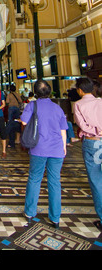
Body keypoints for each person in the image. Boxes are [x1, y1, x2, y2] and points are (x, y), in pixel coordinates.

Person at [21, 79, 68, 228]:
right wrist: (64, 146)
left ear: (35, 92)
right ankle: (55, 217)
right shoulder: (57, 108)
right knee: (55, 182)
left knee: (35, 179)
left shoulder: (32, 105)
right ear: (49, 91)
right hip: (56, 149)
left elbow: (23, 122)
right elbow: (63, 129)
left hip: (38, 148)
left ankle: (30, 212)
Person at [73, 77, 102, 232]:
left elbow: (82, 125)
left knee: (96, 180)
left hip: (91, 143)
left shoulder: (78, 104)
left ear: (80, 90)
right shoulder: (101, 102)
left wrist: (96, 131)